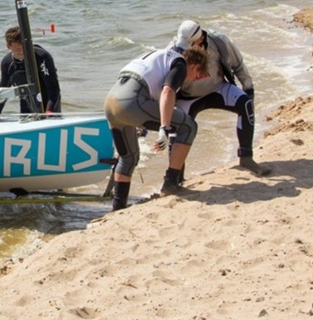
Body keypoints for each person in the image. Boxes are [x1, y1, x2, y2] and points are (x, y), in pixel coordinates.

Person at [104, 46, 209, 211]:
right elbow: (167, 92)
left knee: (128, 158)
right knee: (188, 126)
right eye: (197, 75)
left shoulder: (157, 57)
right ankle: (171, 183)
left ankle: (118, 208)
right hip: (131, 102)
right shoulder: (180, 63)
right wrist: (164, 128)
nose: (193, 79)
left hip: (110, 103)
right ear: (195, 65)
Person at [171, 20, 271, 178]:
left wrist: (248, 89)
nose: (187, 48)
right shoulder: (174, 50)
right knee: (175, 130)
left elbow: (238, 65)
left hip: (217, 88)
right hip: (188, 97)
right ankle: (175, 177)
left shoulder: (219, 42)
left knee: (245, 104)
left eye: (191, 44)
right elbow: (165, 84)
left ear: (200, 38)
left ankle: (246, 158)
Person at [0, 26, 61, 116]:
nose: (22, 52)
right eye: (18, 49)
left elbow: (53, 87)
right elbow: (4, 90)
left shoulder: (42, 57)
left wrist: (49, 111)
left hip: (49, 103)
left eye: (24, 48)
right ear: (8, 46)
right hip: (26, 105)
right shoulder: (7, 63)